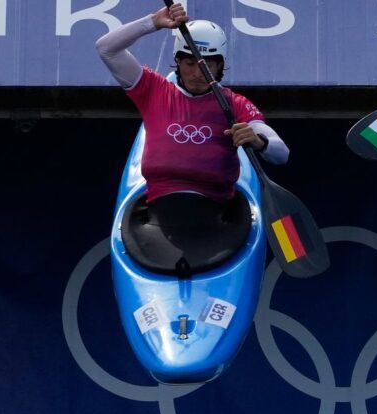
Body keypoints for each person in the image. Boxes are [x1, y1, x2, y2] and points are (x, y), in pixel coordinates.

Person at [95, 3, 289, 276]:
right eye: (190, 63)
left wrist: (258, 141)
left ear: (220, 65)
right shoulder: (153, 90)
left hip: (217, 219)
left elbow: (282, 153)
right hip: (158, 218)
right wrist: (153, 22)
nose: (198, 73)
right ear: (178, 62)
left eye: (208, 64)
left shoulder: (235, 104)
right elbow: (106, 48)